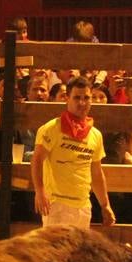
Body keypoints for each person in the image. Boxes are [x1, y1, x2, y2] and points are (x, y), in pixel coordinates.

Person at [31, 76, 114, 230]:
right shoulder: (52, 128)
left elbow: (96, 173)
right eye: (77, 97)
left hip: (83, 205)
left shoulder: (95, 134)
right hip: (56, 204)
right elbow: (37, 159)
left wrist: (105, 205)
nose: (82, 103)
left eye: (86, 98)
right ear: (67, 99)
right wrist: (40, 191)